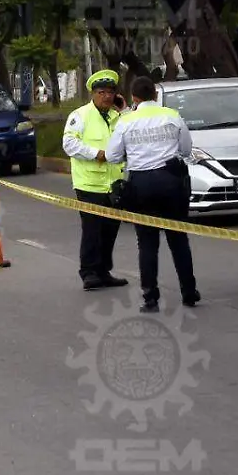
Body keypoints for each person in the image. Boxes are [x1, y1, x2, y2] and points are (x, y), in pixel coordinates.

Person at [105, 76, 200, 313]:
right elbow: (186, 149)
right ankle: (189, 292)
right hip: (171, 181)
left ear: (134, 98)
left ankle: (150, 298)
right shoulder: (171, 115)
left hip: (141, 185)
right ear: (155, 95)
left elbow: (112, 155)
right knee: (178, 240)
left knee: (147, 243)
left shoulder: (126, 121)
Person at [62, 70, 131, 291]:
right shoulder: (80, 116)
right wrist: (96, 153)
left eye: (111, 92)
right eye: (102, 92)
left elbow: (133, 131)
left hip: (114, 184)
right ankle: (89, 272)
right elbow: (69, 144)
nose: (107, 97)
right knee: (92, 229)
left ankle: (103, 271)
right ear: (93, 94)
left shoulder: (118, 116)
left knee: (110, 229)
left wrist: (125, 109)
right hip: (89, 184)